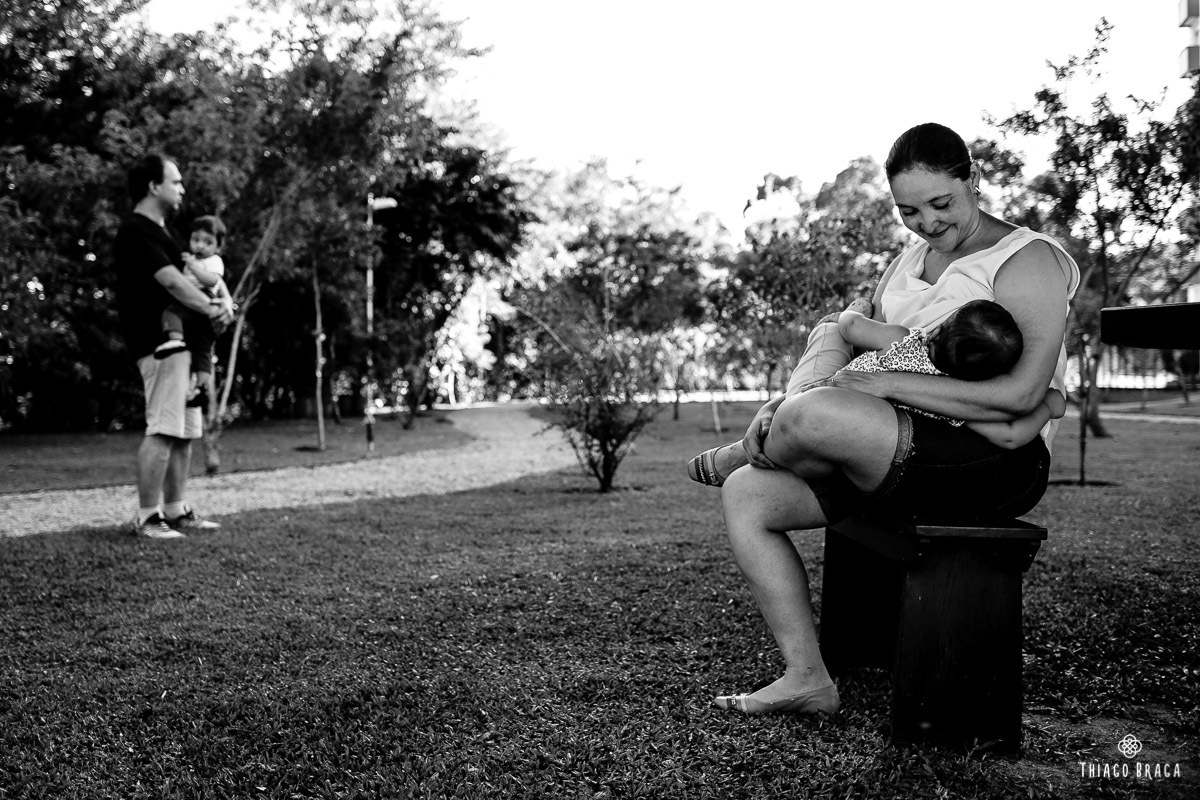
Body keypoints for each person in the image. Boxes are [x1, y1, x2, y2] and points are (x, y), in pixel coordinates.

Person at [708, 122, 1080, 716]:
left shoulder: (1026, 259)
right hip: (883, 443)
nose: (929, 222)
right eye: (910, 210)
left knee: (816, 414)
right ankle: (807, 678)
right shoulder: (908, 259)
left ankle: (779, 435)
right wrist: (786, 401)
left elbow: (1019, 394)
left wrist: (883, 385)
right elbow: (860, 350)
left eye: (942, 203)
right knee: (749, 495)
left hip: (991, 457)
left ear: (973, 180)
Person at [687, 297, 1065, 486]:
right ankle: (762, 440)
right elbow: (1011, 435)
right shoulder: (949, 399)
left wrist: (857, 307)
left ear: (937, 330)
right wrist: (1049, 404)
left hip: (825, 393)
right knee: (798, 417)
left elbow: (850, 328)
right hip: (848, 436)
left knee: (828, 330)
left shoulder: (905, 340)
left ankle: (743, 451)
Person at [115, 155, 233, 539]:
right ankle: (148, 516)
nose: (182, 188)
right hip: (161, 342)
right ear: (154, 186)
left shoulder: (167, 234)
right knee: (164, 428)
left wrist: (221, 306)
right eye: (176, 182)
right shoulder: (137, 230)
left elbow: (199, 282)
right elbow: (171, 282)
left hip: (186, 346)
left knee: (184, 431)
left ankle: (176, 510)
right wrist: (213, 308)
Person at [154, 215, 233, 410]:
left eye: (208, 242)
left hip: (200, 297)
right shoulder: (191, 258)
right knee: (201, 353)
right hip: (197, 304)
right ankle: (197, 388)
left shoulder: (213, 261)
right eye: (195, 240)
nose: (200, 246)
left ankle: (175, 339)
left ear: (217, 247)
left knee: (172, 314)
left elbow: (212, 281)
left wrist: (192, 266)